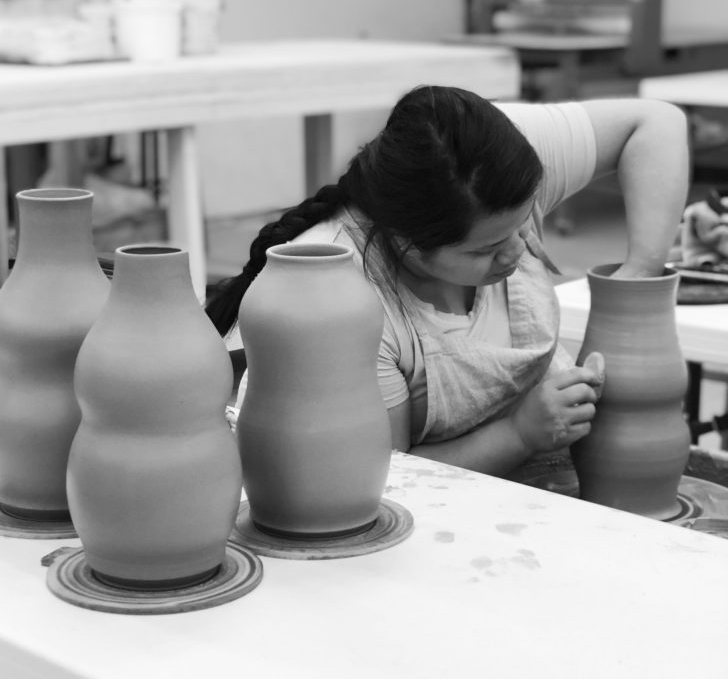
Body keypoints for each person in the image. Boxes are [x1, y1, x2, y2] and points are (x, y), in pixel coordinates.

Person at [206, 86, 689, 478]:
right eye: (484, 250)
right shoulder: (338, 298)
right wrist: (518, 434)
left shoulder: (490, 162)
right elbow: (376, 481)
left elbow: (657, 124)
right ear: (405, 241)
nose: (516, 250)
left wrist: (642, 272)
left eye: (521, 224)